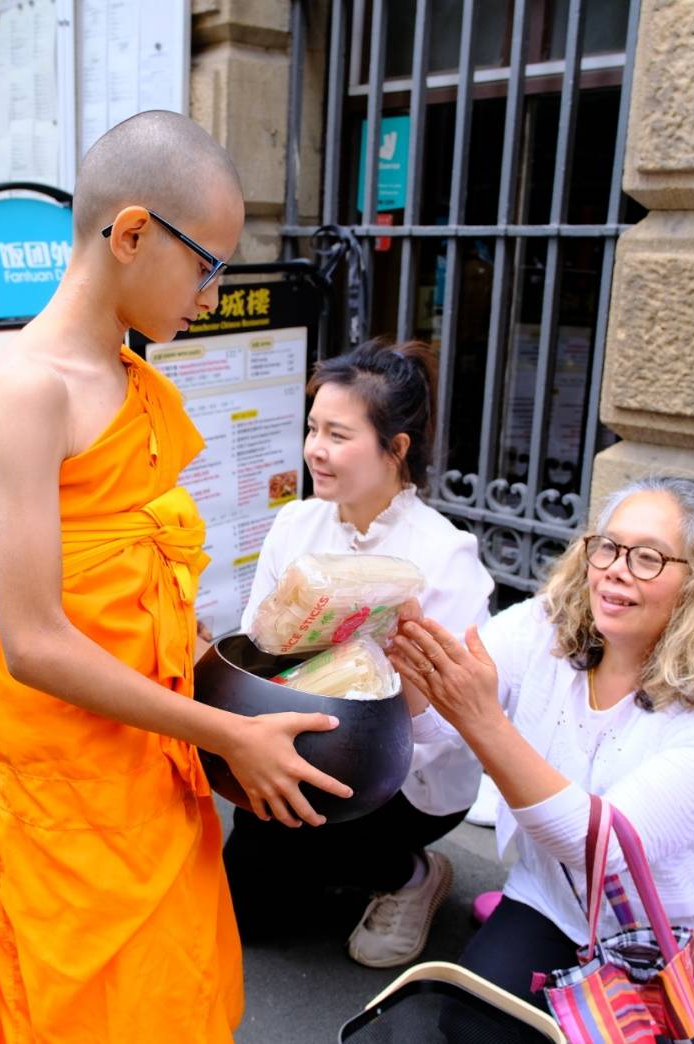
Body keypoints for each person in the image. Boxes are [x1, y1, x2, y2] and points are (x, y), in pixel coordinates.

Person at [0, 110, 353, 1044]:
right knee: (74, 1003)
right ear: (129, 234)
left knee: (165, 990)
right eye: (207, 265)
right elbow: (32, 642)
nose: (211, 294)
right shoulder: (32, 388)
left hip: (149, 744)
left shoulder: (133, 378)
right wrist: (227, 733)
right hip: (62, 762)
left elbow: (148, 587)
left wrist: (257, 676)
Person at [388, 475, 694, 1040]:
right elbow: (431, 723)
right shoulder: (543, 628)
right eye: (607, 545)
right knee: (473, 1025)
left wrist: (481, 719)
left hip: (680, 936)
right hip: (556, 902)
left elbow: (598, 847)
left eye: (648, 557)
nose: (616, 568)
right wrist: (406, 653)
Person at [223, 338, 493, 968]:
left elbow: (450, 730)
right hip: (298, 739)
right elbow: (255, 645)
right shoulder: (296, 525)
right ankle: (321, 857)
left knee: (320, 829)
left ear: (395, 449)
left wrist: (404, 680)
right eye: (313, 427)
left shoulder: (444, 557)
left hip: (402, 772)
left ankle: (409, 873)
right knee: (248, 915)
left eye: (338, 434)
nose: (315, 448)